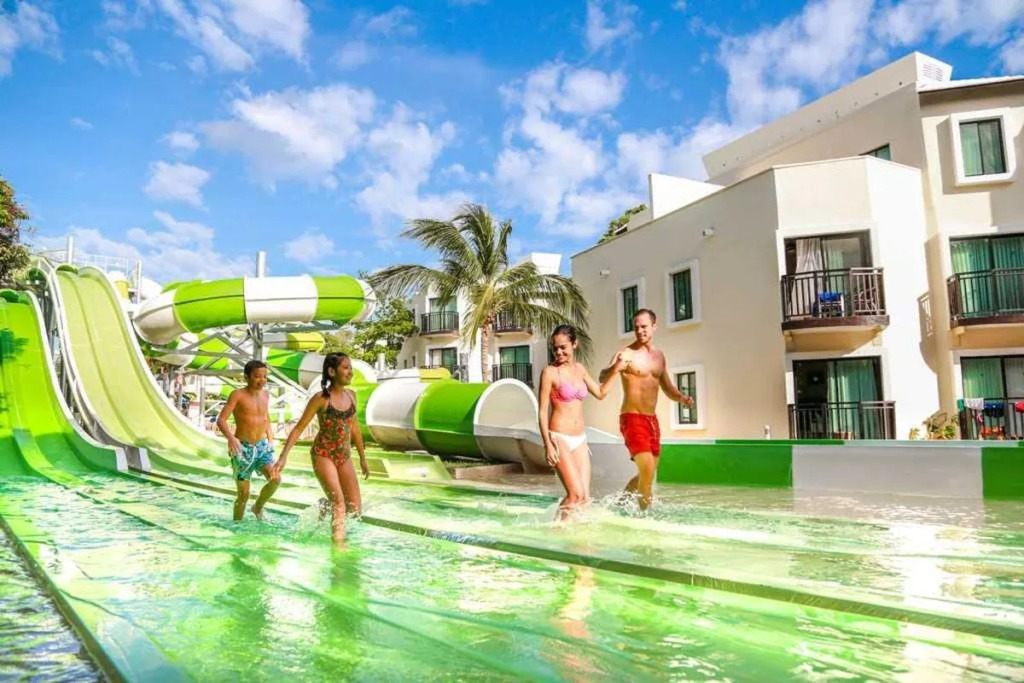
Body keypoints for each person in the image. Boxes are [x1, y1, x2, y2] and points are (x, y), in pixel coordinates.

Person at [599, 309, 693, 511]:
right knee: (648, 470)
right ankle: (646, 516)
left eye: (644, 326)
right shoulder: (626, 354)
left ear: (654, 327)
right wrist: (616, 367)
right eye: (636, 327)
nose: (640, 331)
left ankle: (619, 504)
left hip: (652, 421)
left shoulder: (659, 357)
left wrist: (682, 398)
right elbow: (602, 376)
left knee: (647, 473)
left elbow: (667, 388)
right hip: (632, 418)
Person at [275, 352, 369, 547]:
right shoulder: (321, 399)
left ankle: (325, 504)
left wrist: (362, 457)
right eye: (346, 368)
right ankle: (338, 548)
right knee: (339, 503)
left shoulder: (352, 396)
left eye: (350, 368)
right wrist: (283, 457)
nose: (350, 372)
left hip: (344, 456)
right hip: (323, 455)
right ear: (332, 372)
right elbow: (299, 428)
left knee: (354, 509)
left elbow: (355, 428)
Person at [538, 325, 616, 520]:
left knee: (585, 499)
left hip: (580, 439)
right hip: (559, 437)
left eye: (563, 347)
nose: (558, 352)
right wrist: (548, 444)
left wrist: (617, 370)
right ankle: (556, 529)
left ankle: (575, 533)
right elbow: (542, 412)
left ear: (574, 344)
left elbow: (600, 393)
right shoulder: (549, 372)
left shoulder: (580, 369)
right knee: (575, 494)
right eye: (555, 348)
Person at [216, 360, 281, 521]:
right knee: (243, 494)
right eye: (257, 376)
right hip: (242, 449)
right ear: (246, 377)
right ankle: (237, 527)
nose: (262, 380)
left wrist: (270, 439)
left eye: (265, 376)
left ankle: (257, 506)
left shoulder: (265, 395)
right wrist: (231, 439)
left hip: (262, 447)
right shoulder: (237, 395)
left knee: (276, 479)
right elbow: (221, 420)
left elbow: (265, 417)